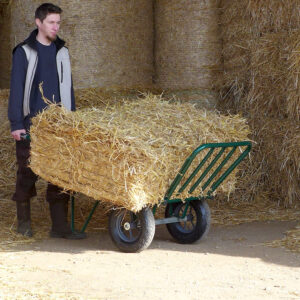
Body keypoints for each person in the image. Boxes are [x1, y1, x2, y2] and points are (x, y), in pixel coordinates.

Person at [8, 3, 85, 239]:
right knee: (27, 172)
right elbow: (17, 89)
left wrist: (72, 119)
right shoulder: (24, 52)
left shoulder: (62, 51)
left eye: (58, 22)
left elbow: (68, 89)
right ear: (38, 23)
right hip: (32, 125)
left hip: (59, 126)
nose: (56, 27)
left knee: (61, 174)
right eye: (51, 22)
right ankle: (24, 223)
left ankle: (59, 227)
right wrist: (16, 124)